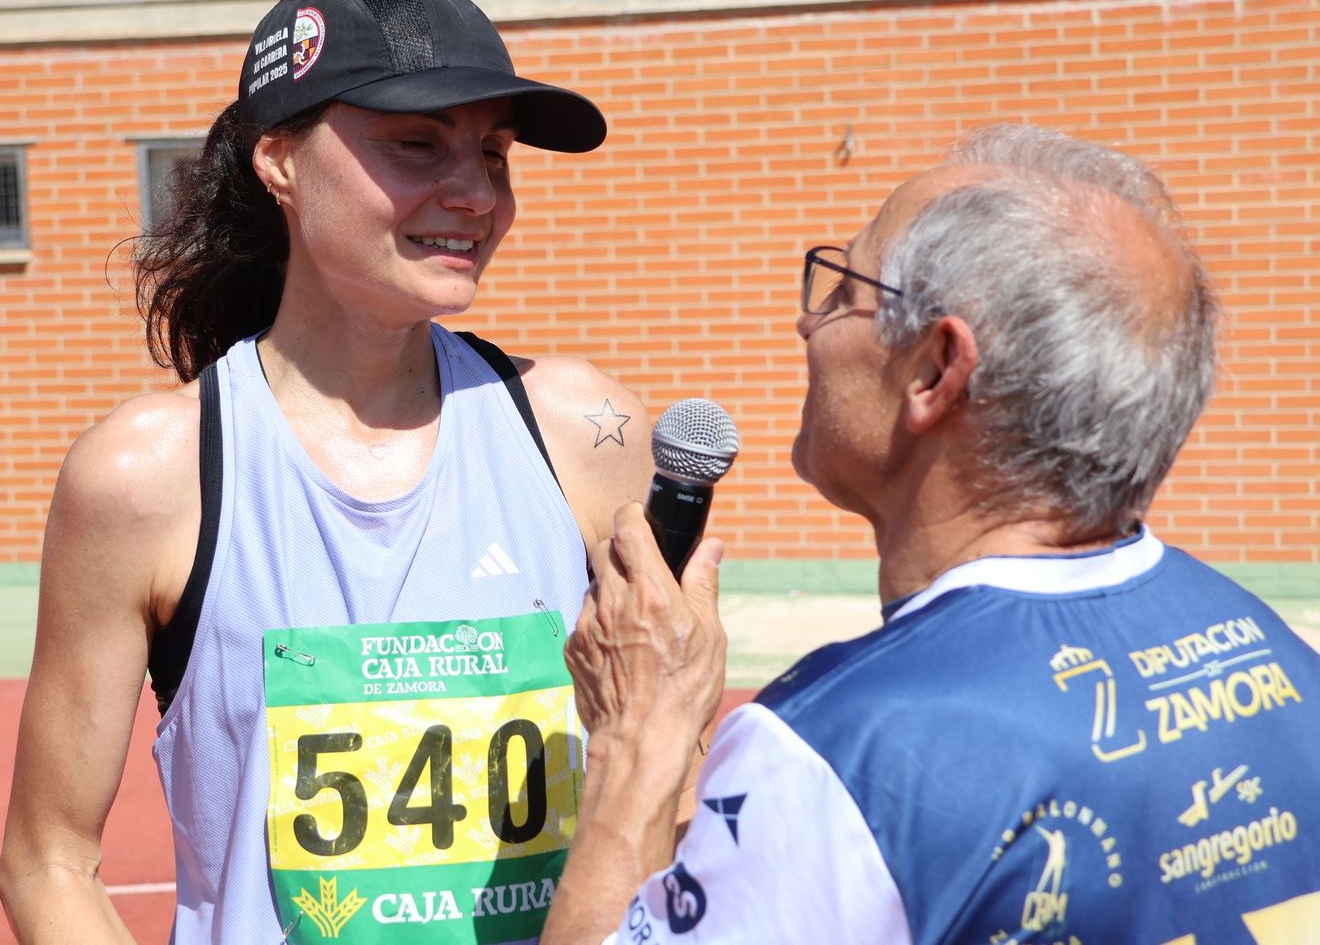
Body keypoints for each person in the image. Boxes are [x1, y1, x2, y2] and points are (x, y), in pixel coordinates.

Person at [0, 0, 658, 944]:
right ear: (280, 163)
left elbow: (664, 776)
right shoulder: (146, 476)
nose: (474, 193)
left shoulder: (585, 430)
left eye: (493, 152)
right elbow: (46, 859)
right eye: (417, 145)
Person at [541, 123, 1320, 944]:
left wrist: (637, 740)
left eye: (840, 288)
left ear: (933, 372)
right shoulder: (1278, 655)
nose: (808, 327)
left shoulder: (843, 753)